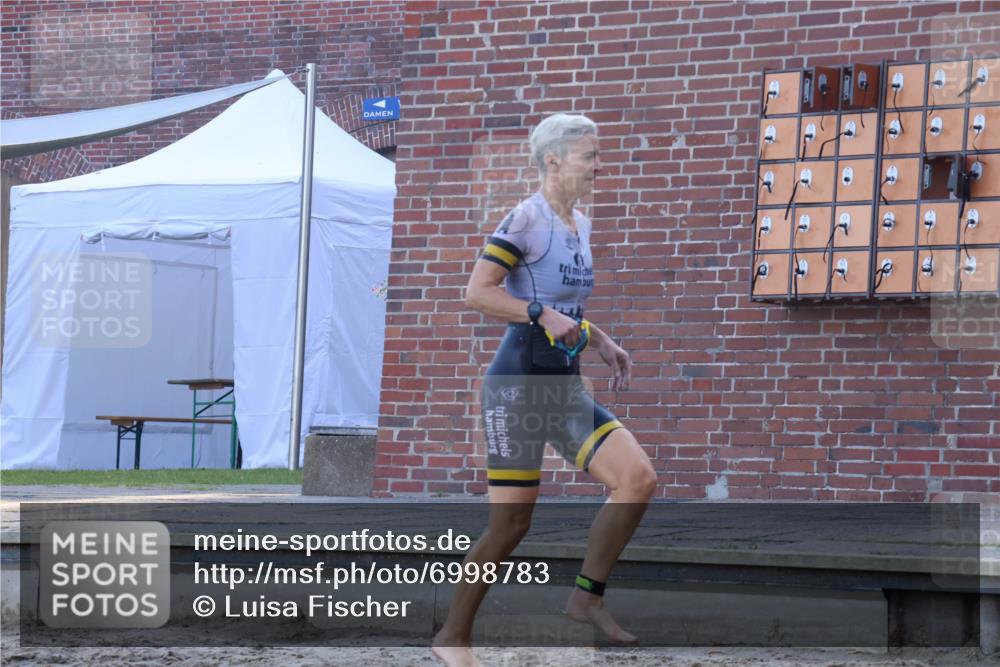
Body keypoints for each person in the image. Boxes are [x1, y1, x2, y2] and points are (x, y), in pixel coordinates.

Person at [432, 113, 657, 667]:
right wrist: (537, 311)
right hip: (518, 387)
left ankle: (586, 598)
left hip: (562, 384)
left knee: (637, 480)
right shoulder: (526, 218)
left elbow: (565, 306)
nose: (599, 166)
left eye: (598, 155)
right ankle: (452, 638)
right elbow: (477, 292)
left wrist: (600, 337)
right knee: (510, 525)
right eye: (589, 156)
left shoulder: (579, 221)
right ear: (553, 159)